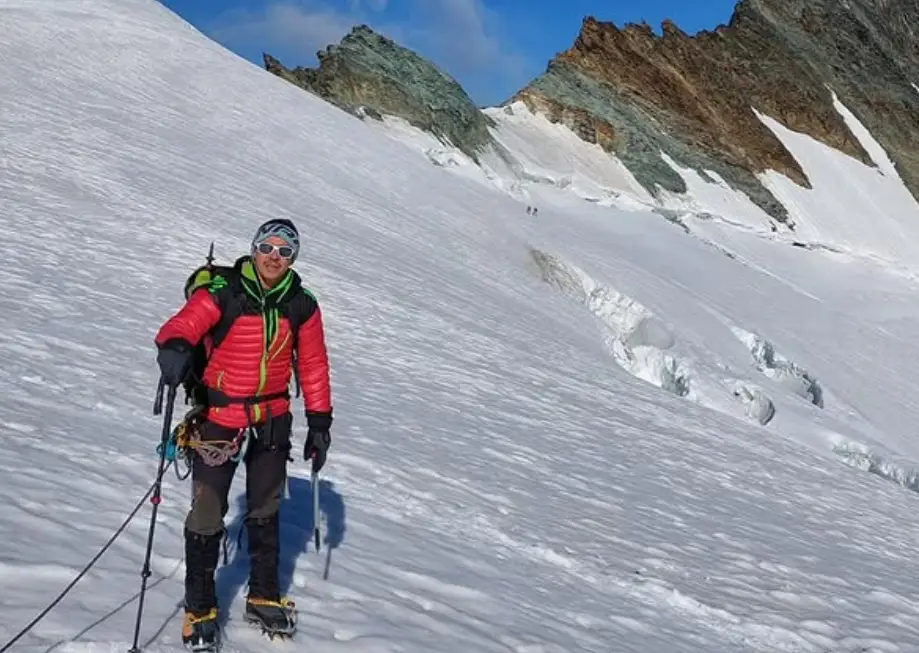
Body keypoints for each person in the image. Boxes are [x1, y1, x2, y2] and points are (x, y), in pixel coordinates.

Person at [153, 218, 333, 649]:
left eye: (284, 251)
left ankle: (264, 595)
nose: (275, 257)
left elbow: (312, 365)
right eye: (268, 247)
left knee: (265, 508)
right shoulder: (223, 292)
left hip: (272, 417)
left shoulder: (302, 304)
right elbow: (181, 325)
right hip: (220, 416)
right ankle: (199, 608)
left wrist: (320, 422)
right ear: (254, 248)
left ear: (293, 258)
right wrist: (176, 347)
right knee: (207, 512)